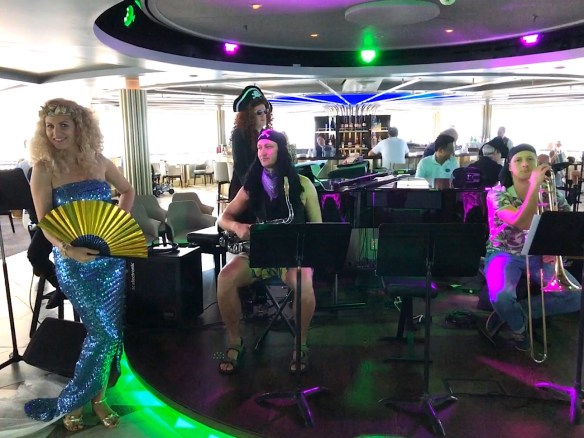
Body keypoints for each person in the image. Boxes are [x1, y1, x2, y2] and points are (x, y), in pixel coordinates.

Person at [24, 98, 135, 431]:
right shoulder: (44, 168)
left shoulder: (99, 161)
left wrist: (116, 223)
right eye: (49, 126)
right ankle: (76, 399)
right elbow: (45, 220)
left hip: (109, 260)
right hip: (72, 262)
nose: (55, 133)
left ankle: (97, 397)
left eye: (63, 125)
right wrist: (66, 249)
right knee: (102, 332)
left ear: (79, 127)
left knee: (111, 332)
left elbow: (127, 190)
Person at [216, 129, 322, 375]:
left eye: (269, 147)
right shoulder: (251, 185)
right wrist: (237, 226)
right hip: (259, 254)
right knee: (225, 278)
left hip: (292, 256)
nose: (262, 152)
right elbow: (223, 218)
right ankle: (234, 342)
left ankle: (300, 344)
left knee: (304, 282)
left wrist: (309, 257)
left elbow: (318, 228)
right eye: (259, 148)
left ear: (281, 150)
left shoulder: (303, 184)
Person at [483, 144, 580, 351]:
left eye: (530, 159)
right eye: (518, 160)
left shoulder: (552, 194)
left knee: (576, 297)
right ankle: (518, 328)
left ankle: (515, 314)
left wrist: (554, 247)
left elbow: (567, 224)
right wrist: (534, 186)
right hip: (503, 253)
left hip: (538, 255)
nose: (525, 164)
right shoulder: (497, 194)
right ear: (509, 167)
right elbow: (522, 222)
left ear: (537, 164)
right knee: (500, 296)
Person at [228, 85, 273, 224]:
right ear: (249, 115)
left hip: (263, 187)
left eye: (265, 111)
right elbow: (241, 167)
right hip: (243, 190)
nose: (263, 115)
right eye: (259, 112)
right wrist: (252, 191)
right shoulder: (239, 134)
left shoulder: (265, 134)